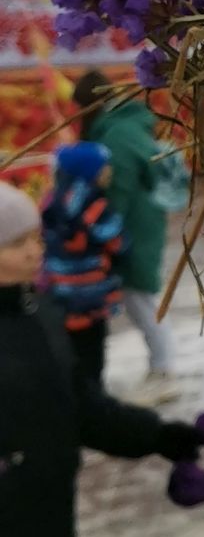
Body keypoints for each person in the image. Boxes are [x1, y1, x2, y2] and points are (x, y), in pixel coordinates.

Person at [0, 180, 204, 537]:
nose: (35, 252)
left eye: (36, 238)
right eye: (16, 244)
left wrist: (158, 435)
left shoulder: (39, 315)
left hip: (28, 527)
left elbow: (81, 407)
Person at [72, 71, 175, 388]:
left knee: (138, 295)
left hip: (132, 227)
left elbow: (119, 190)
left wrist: (102, 230)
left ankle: (163, 366)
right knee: (139, 296)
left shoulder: (116, 134)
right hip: (139, 221)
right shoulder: (120, 126)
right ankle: (161, 363)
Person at [40, 141, 124, 384]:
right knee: (93, 352)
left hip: (61, 289)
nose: (110, 172)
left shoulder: (51, 201)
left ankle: (75, 391)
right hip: (91, 290)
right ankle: (92, 395)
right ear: (90, 171)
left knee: (71, 350)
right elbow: (117, 241)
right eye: (105, 167)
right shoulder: (94, 204)